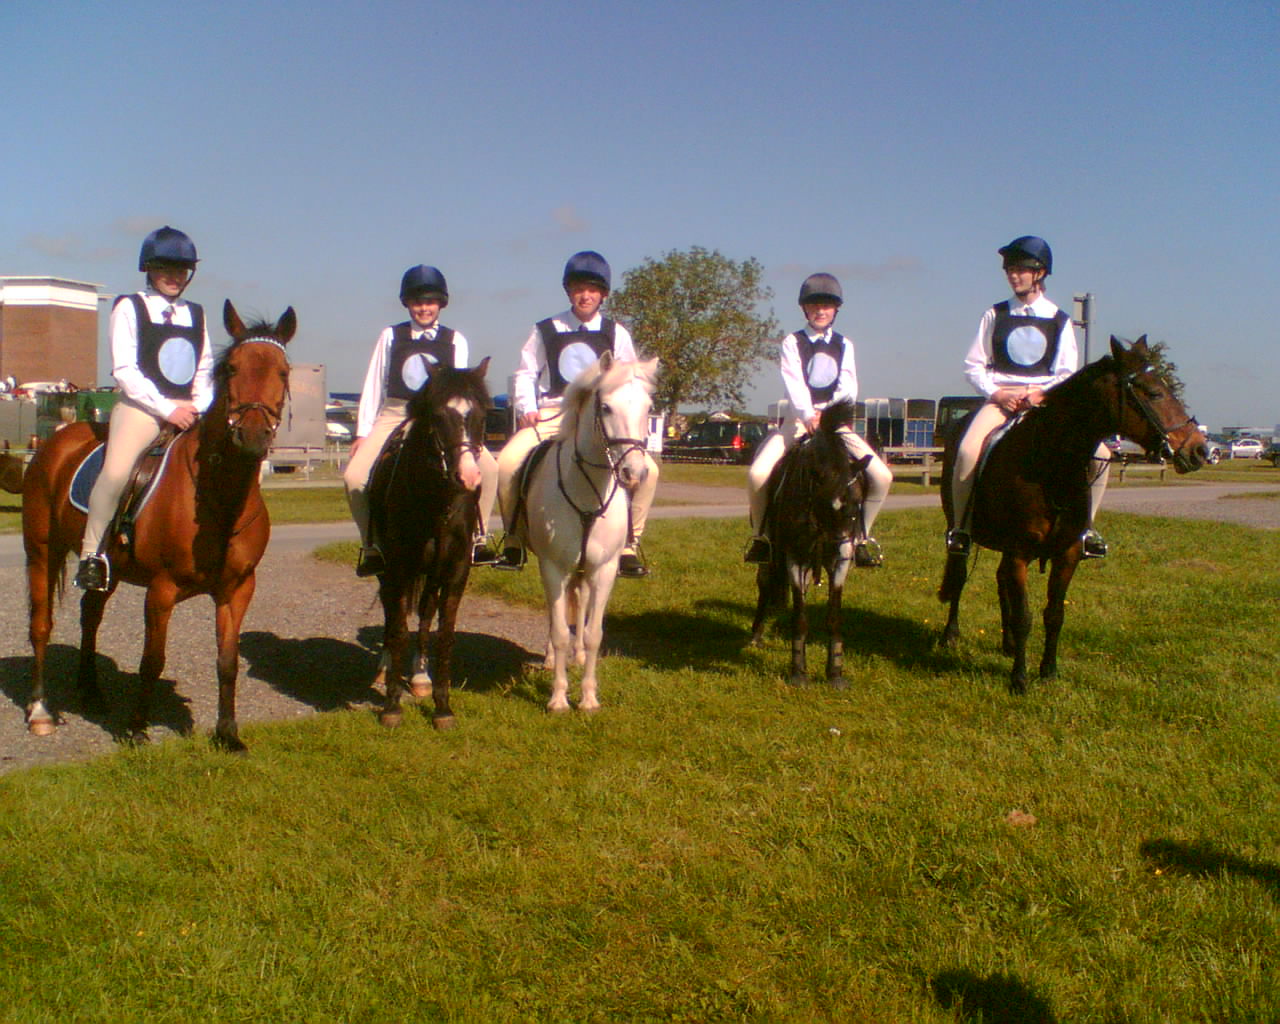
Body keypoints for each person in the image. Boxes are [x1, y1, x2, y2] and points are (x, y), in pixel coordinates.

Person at [495, 250, 657, 578]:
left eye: (592, 289)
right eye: (579, 288)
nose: (585, 295)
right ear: (569, 291)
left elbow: (630, 378)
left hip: (600, 420)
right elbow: (526, 372)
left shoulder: (617, 333)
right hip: (553, 412)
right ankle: (513, 538)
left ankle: (629, 542)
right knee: (507, 462)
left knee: (649, 471)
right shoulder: (546, 329)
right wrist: (528, 408)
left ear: (603, 294)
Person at [945, 235, 1109, 558]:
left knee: (1101, 454)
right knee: (966, 450)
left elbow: (1066, 372)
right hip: (1001, 399)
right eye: (1009, 269)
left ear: (1040, 273)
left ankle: (1086, 529)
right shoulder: (994, 314)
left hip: (1043, 402)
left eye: (1020, 269)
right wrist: (997, 393)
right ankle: (961, 528)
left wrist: (1041, 395)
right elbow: (973, 365)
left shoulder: (1060, 320)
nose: (1013, 275)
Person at [76, 226, 215, 591]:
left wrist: (197, 406)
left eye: (181, 269)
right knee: (116, 473)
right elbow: (125, 370)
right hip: (141, 408)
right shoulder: (129, 306)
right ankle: (92, 555)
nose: (174, 276)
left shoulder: (196, 314)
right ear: (149, 269)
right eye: (165, 268)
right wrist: (167, 410)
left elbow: (204, 368)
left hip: (189, 411)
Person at [343, 265, 499, 577]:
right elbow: (374, 383)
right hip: (396, 413)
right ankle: (372, 546)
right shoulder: (391, 336)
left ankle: (478, 539)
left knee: (491, 470)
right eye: (417, 302)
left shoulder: (455, 339)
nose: (424, 308)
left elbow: (461, 390)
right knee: (354, 478)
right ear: (407, 303)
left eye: (430, 302)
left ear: (441, 303)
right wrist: (363, 432)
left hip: (439, 417)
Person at [745, 272, 892, 567]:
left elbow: (848, 386)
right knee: (757, 474)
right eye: (814, 305)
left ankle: (862, 539)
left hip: (834, 423)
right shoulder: (793, 342)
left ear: (836, 309)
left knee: (882, 476)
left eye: (826, 305)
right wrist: (808, 414)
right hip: (798, 421)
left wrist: (829, 415)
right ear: (804, 309)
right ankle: (762, 538)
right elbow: (794, 381)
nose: (820, 310)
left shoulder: (845, 344)